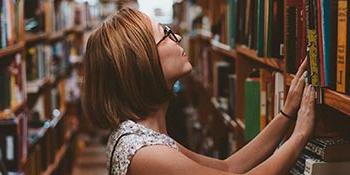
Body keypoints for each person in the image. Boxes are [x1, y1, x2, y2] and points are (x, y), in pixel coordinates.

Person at [82, 8, 316, 175]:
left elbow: (229, 167)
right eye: (166, 34)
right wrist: (300, 135)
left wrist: (286, 114)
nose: (179, 37)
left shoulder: (143, 135)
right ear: (142, 62)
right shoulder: (146, 153)